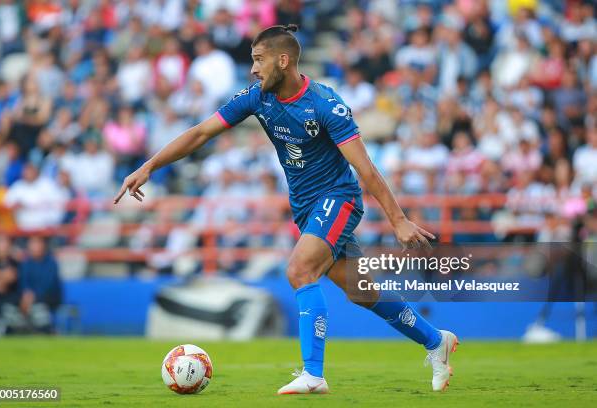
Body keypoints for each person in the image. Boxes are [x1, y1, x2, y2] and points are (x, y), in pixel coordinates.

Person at [114, 25, 457, 395]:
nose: (253, 69)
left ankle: (314, 374)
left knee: (299, 269)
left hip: (338, 197)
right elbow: (200, 133)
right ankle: (436, 340)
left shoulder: (326, 104)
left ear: (283, 60)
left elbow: (365, 168)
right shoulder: (256, 98)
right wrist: (149, 166)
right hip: (306, 208)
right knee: (362, 291)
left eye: (259, 60)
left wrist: (399, 220)